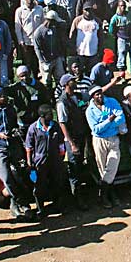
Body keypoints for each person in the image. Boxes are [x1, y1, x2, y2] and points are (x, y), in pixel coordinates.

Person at [0, 87, 33, 218]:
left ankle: (18, 204)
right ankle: (20, 202)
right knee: (6, 178)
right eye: (3, 96)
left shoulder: (10, 109)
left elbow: (14, 123)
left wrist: (16, 130)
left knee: (20, 174)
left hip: (13, 146)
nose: (5, 98)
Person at [84, 85, 126, 209]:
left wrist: (109, 124)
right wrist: (109, 121)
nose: (100, 96)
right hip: (99, 140)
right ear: (92, 97)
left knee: (112, 165)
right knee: (103, 168)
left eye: (100, 93)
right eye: (96, 94)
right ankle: (108, 194)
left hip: (113, 137)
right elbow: (96, 129)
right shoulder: (90, 111)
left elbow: (121, 117)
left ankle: (103, 191)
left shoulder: (112, 102)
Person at [23, 104, 66, 217]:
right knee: (39, 185)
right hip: (40, 161)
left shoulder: (55, 126)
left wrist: (61, 155)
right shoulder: (33, 128)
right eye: (49, 115)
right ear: (42, 116)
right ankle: (40, 208)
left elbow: (61, 142)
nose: (52, 116)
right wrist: (29, 163)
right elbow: (29, 147)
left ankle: (57, 206)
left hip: (55, 159)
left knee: (56, 182)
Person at [56, 73, 90, 211]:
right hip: (73, 139)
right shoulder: (62, 102)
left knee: (80, 165)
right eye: (71, 81)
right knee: (74, 168)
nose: (74, 82)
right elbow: (62, 123)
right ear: (65, 85)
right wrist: (71, 143)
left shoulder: (78, 97)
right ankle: (76, 198)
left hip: (81, 135)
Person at [32, 9, 66, 89]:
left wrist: (61, 56)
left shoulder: (55, 29)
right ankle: (49, 97)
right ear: (50, 20)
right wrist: (42, 62)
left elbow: (58, 43)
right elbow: (37, 48)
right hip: (46, 60)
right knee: (47, 81)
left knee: (60, 79)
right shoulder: (39, 32)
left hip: (56, 58)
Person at [14, 0, 44, 73]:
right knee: (27, 64)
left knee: (38, 64)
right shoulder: (19, 11)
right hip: (26, 42)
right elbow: (18, 27)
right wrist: (21, 41)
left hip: (38, 41)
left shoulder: (39, 9)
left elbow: (43, 25)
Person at [69, 1, 102, 72]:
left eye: (90, 10)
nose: (88, 12)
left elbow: (100, 36)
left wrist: (100, 49)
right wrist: (73, 49)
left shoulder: (97, 21)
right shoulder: (77, 20)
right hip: (80, 52)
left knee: (92, 71)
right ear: (82, 10)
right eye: (86, 10)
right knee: (80, 71)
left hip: (93, 53)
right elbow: (72, 35)